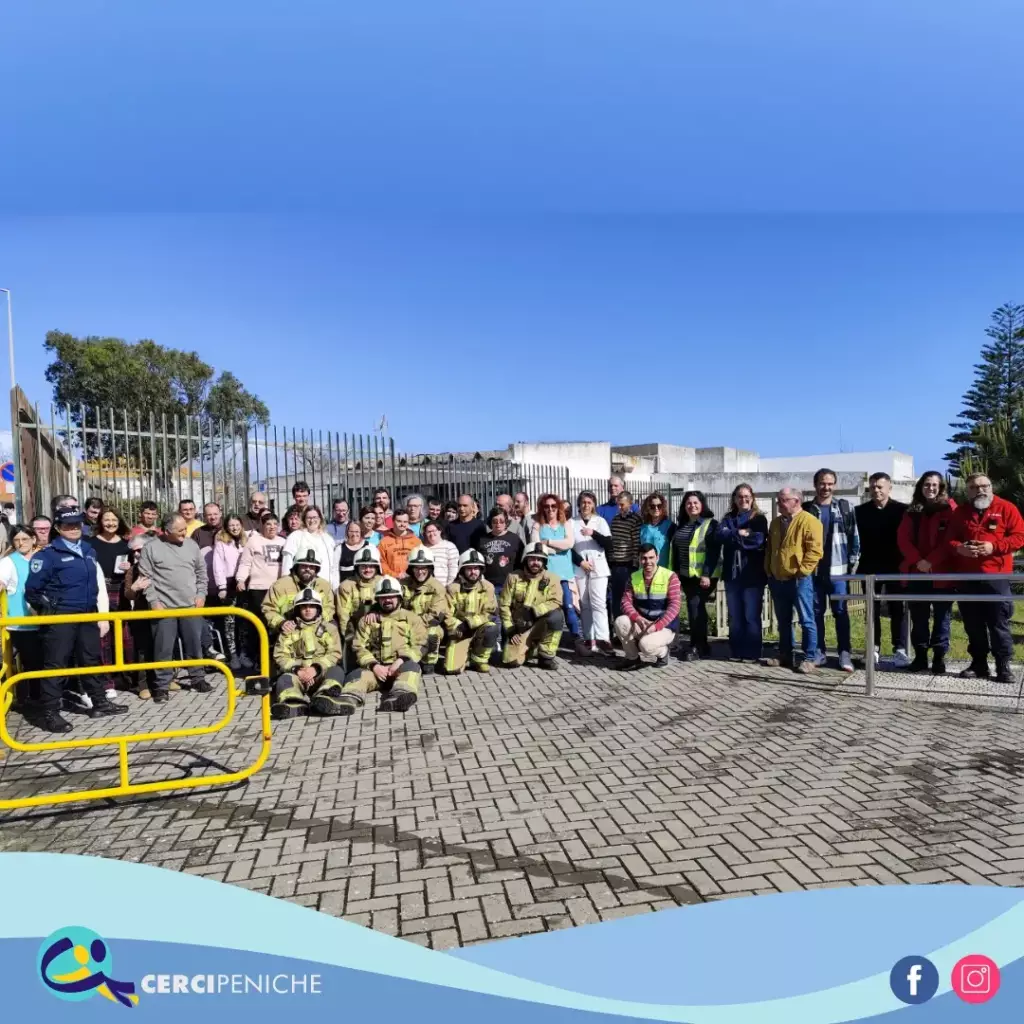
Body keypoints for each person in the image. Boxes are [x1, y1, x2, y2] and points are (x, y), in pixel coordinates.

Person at [25, 509, 126, 732]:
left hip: (86, 614)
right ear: (58, 527)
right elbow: (32, 591)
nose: (73, 529)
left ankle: (99, 703)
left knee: (91, 660)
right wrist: (52, 607)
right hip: (61, 618)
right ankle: (50, 713)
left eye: (77, 525)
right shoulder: (47, 555)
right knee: (56, 665)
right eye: (68, 525)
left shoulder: (88, 550)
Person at [948, 473, 1024, 683]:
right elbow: (950, 540)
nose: (981, 490)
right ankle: (979, 664)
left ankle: (1003, 666)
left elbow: (1020, 537)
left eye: (985, 486)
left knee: (998, 622)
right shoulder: (960, 512)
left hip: (996, 577)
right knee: (973, 623)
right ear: (968, 490)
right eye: (974, 487)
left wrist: (994, 546)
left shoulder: (1006, 508)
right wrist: (960, 548)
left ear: (991, 487)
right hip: (967, 577)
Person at [137, 513, 210, 702]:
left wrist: (201, 594)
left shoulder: (191, 545)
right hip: (164, 608)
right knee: (163, 649)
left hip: (190, 605)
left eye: (185, 529)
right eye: (180, 531)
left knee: (195, 645)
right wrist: (154, 602)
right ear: (167, 531)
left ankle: (198, 679)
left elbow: (202, 572)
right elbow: (146, 578)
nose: (184, 533)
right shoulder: (151, 548)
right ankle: (161, 686)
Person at [336, 576, 425, 714]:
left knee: (412, 667)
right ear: (377, 599)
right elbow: (358, 647)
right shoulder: (366, 621)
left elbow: (420, 645)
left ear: (399, 598)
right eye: (383, 597)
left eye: (391, 597)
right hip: (376, 671)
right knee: (356, 675)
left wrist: (401, 660)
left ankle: (399, 696)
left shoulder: (411, 618)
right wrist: (374, 666)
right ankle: (348, 701)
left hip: (399, 669)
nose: (387, 600)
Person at [897, 471, 957, 676]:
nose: (930, 488)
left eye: (934, 485)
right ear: (920, 487)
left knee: (942, 617)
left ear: (941, 488)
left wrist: (931, 561)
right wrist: (919, 561)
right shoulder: (912, 511)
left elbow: (951, 539)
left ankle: (939, 658)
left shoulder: (950, 509)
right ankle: (921, 656)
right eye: (926, 484)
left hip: (942, 574)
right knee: (919, 618)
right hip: (917, 573)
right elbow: (903, 540)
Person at [803, 469, 861, 673]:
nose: (825, 487)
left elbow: (854, 537)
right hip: (814, 572)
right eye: (821, 483)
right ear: (815, 484)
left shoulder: (845, 507)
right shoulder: (806, 509)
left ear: (834, 485)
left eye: (829, 483)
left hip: (838, 571)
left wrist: (851, 566)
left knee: (841, 612)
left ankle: (844, 653)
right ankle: (819, 652)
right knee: (816, 613)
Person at [764, 488, 823, 673]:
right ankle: (785, 653)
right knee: (783, 620)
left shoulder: (810, 521)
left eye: (782, 500)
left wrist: (802, 571)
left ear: (796, 501)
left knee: (806, 619)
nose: (778, 504)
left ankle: (810, 657)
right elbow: (770, 548)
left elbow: (815, 551)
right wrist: (769, 569)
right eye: (778, 500)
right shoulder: (775, 523)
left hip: (799, 580)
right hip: (777, 578)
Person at [854, 472, 910, 668]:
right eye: (873, 487)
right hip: (870, 566)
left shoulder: (903, 510)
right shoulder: (859, 511)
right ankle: (874, 647)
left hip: (896, 566)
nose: (876, 490)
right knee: (872, 610)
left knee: (898, 609)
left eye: (880, 487)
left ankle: (900, 649)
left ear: (889, 488)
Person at [270, 588, 347, 719]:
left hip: (321, 674)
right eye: (303, 606)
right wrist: (297, 670)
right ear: (297, 610)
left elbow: (335, 653)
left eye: (312, 606)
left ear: (319, 609)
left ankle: (324, 698)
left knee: (336, 671)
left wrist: (315, 669)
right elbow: (280, 656)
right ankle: (294, 703)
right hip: (298, 675)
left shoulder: (330, 629)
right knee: (284, 679)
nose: (308, 609)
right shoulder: (289, 630)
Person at [716, 484, 768, 663]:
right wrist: (739, 533)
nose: (743, 499)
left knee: (751, 616)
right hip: (732, 576)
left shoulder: (759, 519)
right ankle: (736, 650)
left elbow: (757, 540)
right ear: (734, 499)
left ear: (752, 498)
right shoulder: (728, 518)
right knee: (735, 616)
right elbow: (719, 535)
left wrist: (733, 537)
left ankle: (752, 652)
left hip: (752, 576)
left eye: (746, 496)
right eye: (739, 496)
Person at [669, 491, 721, 662]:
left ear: (702, 504)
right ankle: (702, 645)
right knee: (695, 608)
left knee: (695, 607)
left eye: (695, 502)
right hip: (686, 575)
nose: (692, 506)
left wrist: (706, 574)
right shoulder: (682, 525)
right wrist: (675, 570)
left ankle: (696, 646)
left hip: (704, 576)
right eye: (688, 503)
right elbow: (677, 550)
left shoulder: (710, 524)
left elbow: (713, 552)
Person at [614, 542, 682, 669]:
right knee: (620, 621)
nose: (647, 562)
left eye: (651, 558)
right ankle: (632, 658)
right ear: (639, 559)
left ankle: (664, 654)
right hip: (642, 623)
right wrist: (637, 618)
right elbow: (625, 601)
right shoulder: (634, 577)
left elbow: (675, 605)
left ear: (657, 558)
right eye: (644, 558)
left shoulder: (670, 577)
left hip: (664, 626)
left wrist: (657, 626)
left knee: (646, 646)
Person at [531, 493, 584, 654]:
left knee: (568, 607)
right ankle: (541, 639)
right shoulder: (537, 525)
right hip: (546, 575)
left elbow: (569, 543)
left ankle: (576, 638)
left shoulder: (566, 524)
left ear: (558, 508)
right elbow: (536, 548)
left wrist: (548, 543)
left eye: (553, 506)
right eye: (547, 506)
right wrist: (554, 549)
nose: (550, 509)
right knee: (545, 608)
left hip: (564, 575)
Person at [91, 506, 134, 699]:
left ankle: (126, 677)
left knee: (125, 638)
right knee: (103, 639)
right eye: (106, 519)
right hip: (99, 592)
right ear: (100, 521)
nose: (110, 523)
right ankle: (106, 682)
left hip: (121, 592)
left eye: (114, 520)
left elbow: (134, 569)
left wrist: (130, 568)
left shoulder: (126, 545)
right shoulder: (90, 544)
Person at [500, 542, 565, 669]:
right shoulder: (513, 577)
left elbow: (556, 601)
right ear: (525, 560)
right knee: (510, 661)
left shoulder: (552, 579)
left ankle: (546, 656)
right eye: (532, 559)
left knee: (557, 616)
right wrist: (510, 629)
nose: (535, 562)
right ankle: (531, 649)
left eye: (539, 559)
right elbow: (504, 605)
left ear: (544, 562)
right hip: (520, 626)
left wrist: (534, 611)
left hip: (541, 623)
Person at [0, 525, 44, 711]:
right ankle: (33, 699)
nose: (21, 543)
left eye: (25, 539)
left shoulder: (44, 558)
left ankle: (44, 697)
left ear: (33, 539)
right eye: (17, 540)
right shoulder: (8, 562)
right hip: (21, 624)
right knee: (31, 663)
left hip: (45, 620)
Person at [235, 513, 286, 666]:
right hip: (259, 589)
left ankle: (275, 659)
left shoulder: (284, 542)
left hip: (278, 589)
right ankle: (259, 660)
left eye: (275, 524)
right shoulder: (254, 541)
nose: (272, 527)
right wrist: (241, 579)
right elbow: (245, 563)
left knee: (278, 625)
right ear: (262, 526)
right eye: (268, 524)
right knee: (261, 625)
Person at [444, 548, 499, 674]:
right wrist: (459, 627)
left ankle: (479, 660)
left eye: (476, 568)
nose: (473, 572)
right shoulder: (453, 588)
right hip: (460, 631)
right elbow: (447, 614)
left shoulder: (488, 587)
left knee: (492, 628)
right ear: (462, 570)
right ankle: (465, 653)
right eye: (469, 568)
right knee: (451, 669)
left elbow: (489, 613)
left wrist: (469, 624)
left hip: (479, 628)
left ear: (481, 570)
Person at [572, 490, 613, 653]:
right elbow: (569, 547)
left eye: (589, 502)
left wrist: (593, 533)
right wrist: (581, 562)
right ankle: (590, 639)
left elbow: (609, 544)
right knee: (584, 604)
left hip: (598, 567)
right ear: (579, 505)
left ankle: (604, 639)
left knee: (599, 603)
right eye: (583, 502)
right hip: (580, 567)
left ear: (594, 504)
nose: (586, 505)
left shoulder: (600, 521)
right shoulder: (571, 522)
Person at [263, 548, 336, 636]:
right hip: (288, 632)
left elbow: (329, 608)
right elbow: (268, 609)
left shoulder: (324, 586)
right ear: (296, 566)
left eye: (312, 567)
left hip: (317, 632)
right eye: (304, 566)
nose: (308, 569)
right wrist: (281, 623)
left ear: (317, 569)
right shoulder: (280, 585)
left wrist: (318, 622)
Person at [401, 547, 448, 675]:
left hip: (426, 625)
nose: (420, 572)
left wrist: (413, 624)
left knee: (433, 632)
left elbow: (435, 615)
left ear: (430, 569)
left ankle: (429, 661)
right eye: (416, 568)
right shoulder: (402, 584)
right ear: (411, 569)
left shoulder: (437, 588)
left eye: (424, 568)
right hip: (403, 624)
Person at [212, 514, 248, 668]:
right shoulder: (221, 543)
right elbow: (218, 566)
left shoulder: (247, 540)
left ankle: (244, 653)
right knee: (230, 622)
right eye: (231, 525)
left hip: (245, 583)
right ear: (226, 527)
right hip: (228, 584)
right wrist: (221, 587)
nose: (234, 528)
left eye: (237, 524)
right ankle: (232, 654)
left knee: (244, 622)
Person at [281, 506, 338, 589]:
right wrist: (287, 585)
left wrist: (335, 587)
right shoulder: (295, 536)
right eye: (309, 518)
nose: (312, 520)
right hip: (303, 587)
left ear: (320, 519)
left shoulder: (328, 539)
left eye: (315, 517)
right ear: (304, 519)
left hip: (327, 587)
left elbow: (333, 567)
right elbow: (287, 565)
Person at [334, 545, 382, 643]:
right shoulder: (346, 586)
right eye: (363, 566)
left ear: (377, 567)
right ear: (357, 567)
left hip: (381, 629)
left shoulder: (383, 583)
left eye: (371, 566)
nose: (367, 570)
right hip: (355, 631)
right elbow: (343, 615)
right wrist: (347, 636)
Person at [608, 491, 642, 623]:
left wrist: (634, 564)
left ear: (630, 504)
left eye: (622, 505)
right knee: (616, 598)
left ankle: (629, 626)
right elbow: (613, 541)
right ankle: (618, 627)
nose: (620, 507)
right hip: (615, 564)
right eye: (618, 505)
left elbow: (635, 543)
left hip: (627, 565)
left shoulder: (635, 520)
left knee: (627, 598)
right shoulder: (615, 519)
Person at [480, 507, 523, 601]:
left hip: (509, 584)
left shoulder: (514, 539)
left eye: (501, 521)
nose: (498, 524)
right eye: (495, 521)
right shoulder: (482, 539)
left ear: (506, 521)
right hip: (489, 585)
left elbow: (521, 562)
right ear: (490, 522)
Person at [378, 510, 423, 579]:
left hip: (412, 579)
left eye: (405, 522)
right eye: (399, 521)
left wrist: (411, 574)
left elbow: (421, 561)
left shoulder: (416, 541)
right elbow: (382, 562)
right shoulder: (384, 541)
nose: (402, 524)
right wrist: (395, 575)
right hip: (391, 580)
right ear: (392, 521)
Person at [640, 493, 673, 567]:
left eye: (659, 506)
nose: (656, 508)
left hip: (663, 571)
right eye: (652, 506)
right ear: (648, 508)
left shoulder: (670, 526)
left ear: (663, 507)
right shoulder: (642, 527)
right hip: (645, 570)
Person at [422, 520, 459, 587]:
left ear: (439, 531)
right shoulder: (423, 548)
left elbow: (453, 568)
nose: (431, 534)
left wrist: (448, 585)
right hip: (426, 588)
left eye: (434, 531)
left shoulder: (449, 546)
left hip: (444, 587)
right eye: (428, 532)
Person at [337, 520, 368, 584]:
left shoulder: (368, 546)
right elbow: (334, 570)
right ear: (347, 532)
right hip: (345, 587)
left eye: (357, 531)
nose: (354, 534)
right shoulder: (339, 549)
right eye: (351, 531)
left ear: (361, 532)